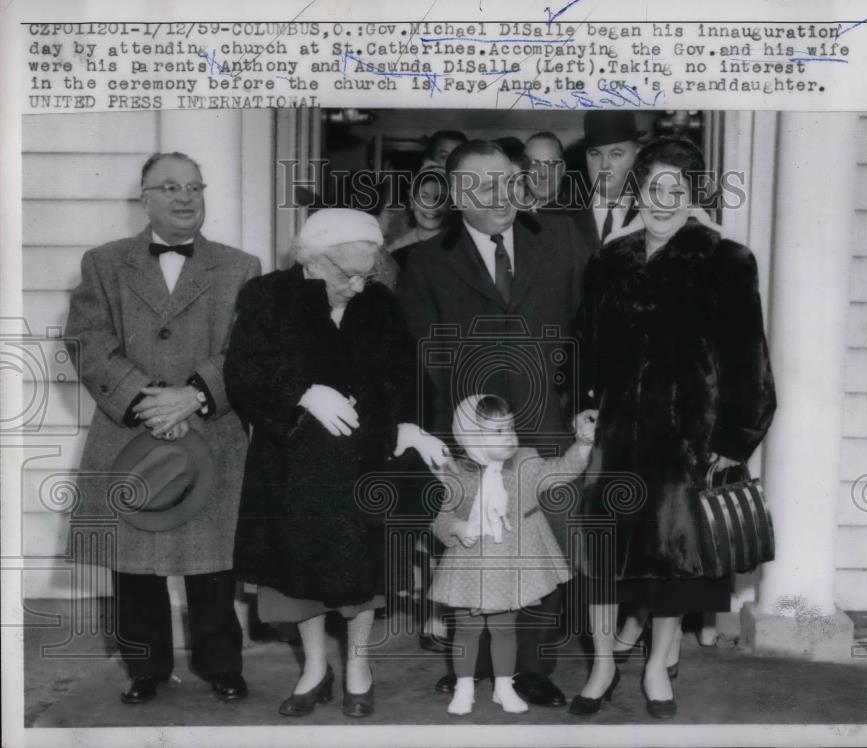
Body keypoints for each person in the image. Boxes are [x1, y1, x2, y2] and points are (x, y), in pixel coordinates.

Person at [571, 137, 777, 718]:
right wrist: (584, 402)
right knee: (603, 554)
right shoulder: (611, 258)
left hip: (686, 440)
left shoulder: (725, 260)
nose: (662, 201)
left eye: (676, 190)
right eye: (652, 187)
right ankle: (603, 664)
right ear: (636, 190)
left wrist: (733, 442)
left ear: (694, 195)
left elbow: (750, 362)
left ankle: (660, 663)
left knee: (670, 561)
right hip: (614, 436)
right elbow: (584, 341)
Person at [223, 209, 448, 718]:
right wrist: (301, 394)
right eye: (344, 273)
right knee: (296, 577)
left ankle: (360, 667)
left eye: (365, 274)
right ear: (312, 258)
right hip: (292, 465)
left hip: (362, 464)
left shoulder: (379, 302)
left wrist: (408, 424)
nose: (355, 285)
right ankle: (315, 668)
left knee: (361, 574)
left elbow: (407, 372)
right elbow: (244, 372)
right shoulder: (268, 296)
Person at [397, 139, 592, 708]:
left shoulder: (560, 241)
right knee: (470, 549)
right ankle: (471, 662)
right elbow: (422, 356)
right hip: (468, 437)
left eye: (510, 180)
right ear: (458, 195)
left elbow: (584, 329)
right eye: (485, 184)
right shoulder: (427, 263)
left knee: (541, 549)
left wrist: (579, 402)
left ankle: (533, 667)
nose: (503, 193)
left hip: (547, 426)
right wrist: (446, 437)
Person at [64, 152, 261, 705]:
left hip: (211, 430)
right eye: (169, 187)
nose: (184, 198)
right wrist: (145, 400)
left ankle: (223, 665)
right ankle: (143, 668)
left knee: (213, 565)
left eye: (194, 187)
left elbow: (247, 350)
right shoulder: (104, 263)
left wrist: (195, 395)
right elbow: (87, 341)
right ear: (144, 198)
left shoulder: (241, 266)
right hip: (130, 429)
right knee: (135, 567)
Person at [428, 394, 597, 715]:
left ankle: (504, 687)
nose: (508, 436)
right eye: (496, 431)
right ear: (470, 439)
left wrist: (583, 444)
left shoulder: (526, 461)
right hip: (470, 568)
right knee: (467, 630)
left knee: (505, 629)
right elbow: (442, 518)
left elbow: (563, 469)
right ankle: (464, 686)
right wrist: (458, 528)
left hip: (512, 567)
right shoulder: (457, 473)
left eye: (510, 427)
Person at [564, 111, 644, 255]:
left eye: (616, 154)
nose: (604, 165)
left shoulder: (653, 215)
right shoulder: (560, 215)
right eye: (595, 154)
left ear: (637, 154)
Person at [386, 165, 451, 272]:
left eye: (441, 198)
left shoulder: (461, 248)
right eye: (424, 197)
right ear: (412, 202)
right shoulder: (395, 251)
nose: (431, 205)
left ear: (451, 205)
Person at [524, 132, 568, 210]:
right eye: (533, 163)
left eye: (551, 163)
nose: (543, 174)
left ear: (562, 169)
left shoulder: (579, 217)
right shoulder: (509, 214)